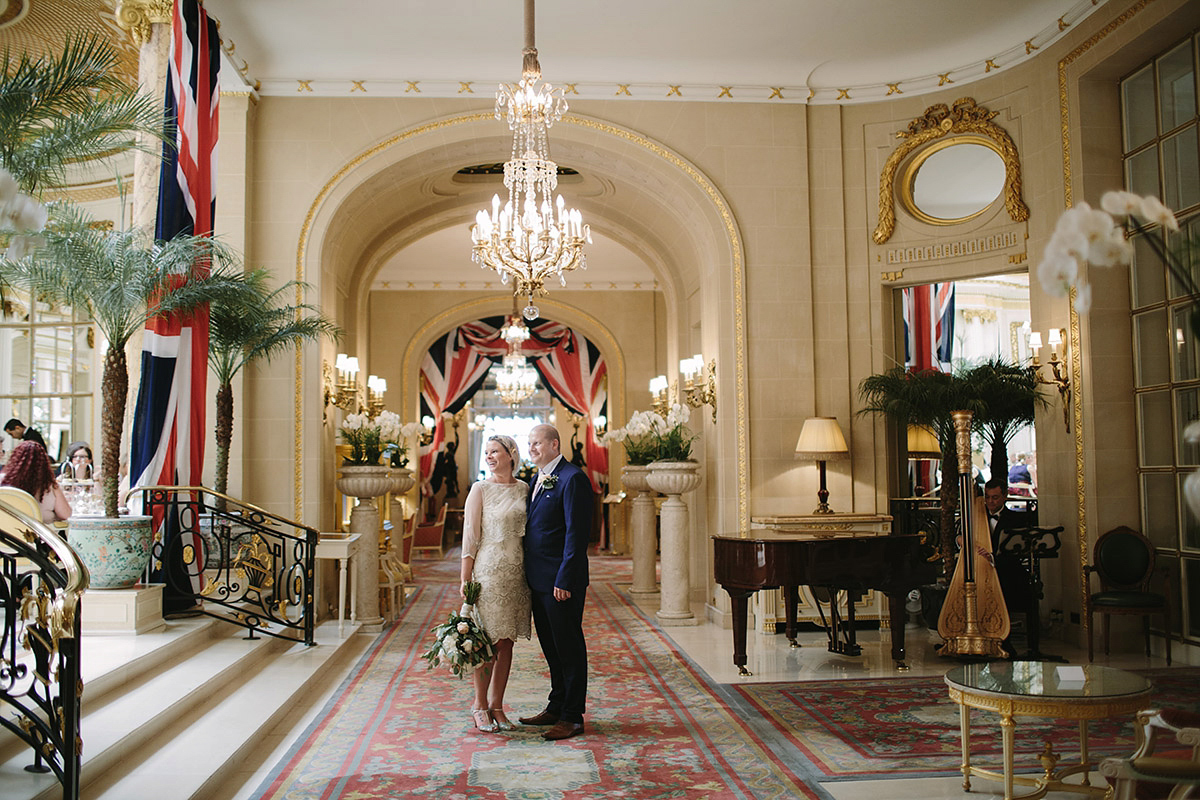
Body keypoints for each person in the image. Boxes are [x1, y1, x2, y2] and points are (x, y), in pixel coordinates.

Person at [519, 423, 592, 741]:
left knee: (569, 647)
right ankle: (556, 705)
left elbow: (576, 535)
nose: (532, 448)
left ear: (554, 444)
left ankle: (573, 716)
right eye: (530, 443)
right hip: (539, 579)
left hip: (561, 582)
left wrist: (564, 578)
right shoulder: (537, 478)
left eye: (537, 443)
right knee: (551, 647)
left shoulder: (572, 478)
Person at [460, 434, 531, 733]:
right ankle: (479, 705)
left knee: (506, 642)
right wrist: (466, 578)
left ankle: (498, 705)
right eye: (486, 452)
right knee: (485, 641)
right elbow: (470, 535)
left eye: (495, 452)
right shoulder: (480, 489)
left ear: (511, 454)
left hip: (517, 574)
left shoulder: (526, 489)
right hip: (488, 572)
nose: (489, 457)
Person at [0, 440, 72, 524]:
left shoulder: (3, 480)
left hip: (8, 532)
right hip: (41, 533)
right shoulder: (49, 485)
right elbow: (65, 514)